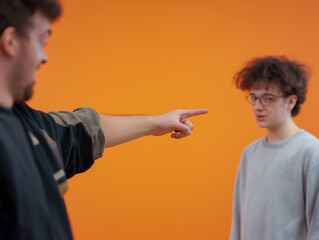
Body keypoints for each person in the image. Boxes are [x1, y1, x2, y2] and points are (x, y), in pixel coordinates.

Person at [0, 0, 208, 239]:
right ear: (11, 42)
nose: (43, 56)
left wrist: (155, 123)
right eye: (41, 41)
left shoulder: (26, 124)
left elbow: (81, 130)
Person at [230, 56, 319, 240]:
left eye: (268, 98)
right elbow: (237, 222)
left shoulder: (311, 152)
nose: (257, 106)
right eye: (254, 98)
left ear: (291, 101)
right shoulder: (250, 153)